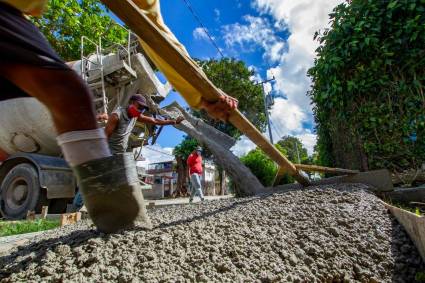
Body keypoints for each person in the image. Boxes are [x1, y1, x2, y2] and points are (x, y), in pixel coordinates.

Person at [0, 1, 237, 232]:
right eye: (139, 109)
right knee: (70, 94)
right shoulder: (117, 114)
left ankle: (114, 216)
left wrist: (187, 108)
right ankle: (109, 217)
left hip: (117, 155)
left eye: (142, 111)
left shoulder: (136, 117)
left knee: (70, 94)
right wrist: (94, 148)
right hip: (109, 152)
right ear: (132, 104)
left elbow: (152, 25)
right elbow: (104, 134)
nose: (141, 113)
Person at [105, 94, 184, 154]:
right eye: (139, 106)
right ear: (131, 102)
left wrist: (173, 122)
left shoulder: (135, 116)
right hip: (110, 153)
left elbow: (154, 120)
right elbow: (104, 138)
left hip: (121, 153)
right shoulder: (116, 116)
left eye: (142, 109)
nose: (140, 110)